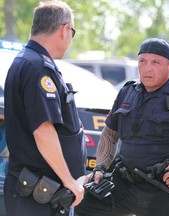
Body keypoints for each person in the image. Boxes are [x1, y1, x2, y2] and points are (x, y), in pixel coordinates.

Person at [75, 38, 169, 216]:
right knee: (82, 203)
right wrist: (100, 168)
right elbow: (109, 136)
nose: (147, 68)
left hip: (166, 192)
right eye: (142, 61)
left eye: (155, 62)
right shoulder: (127, 92)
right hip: (123, 186)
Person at [4, 1, 86, 216]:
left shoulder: (27, 61)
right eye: (72, 32)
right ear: (64, 29)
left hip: (37, 192)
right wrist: (69, 181)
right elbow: (43, 130)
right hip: (36, 195)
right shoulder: (37, 67)